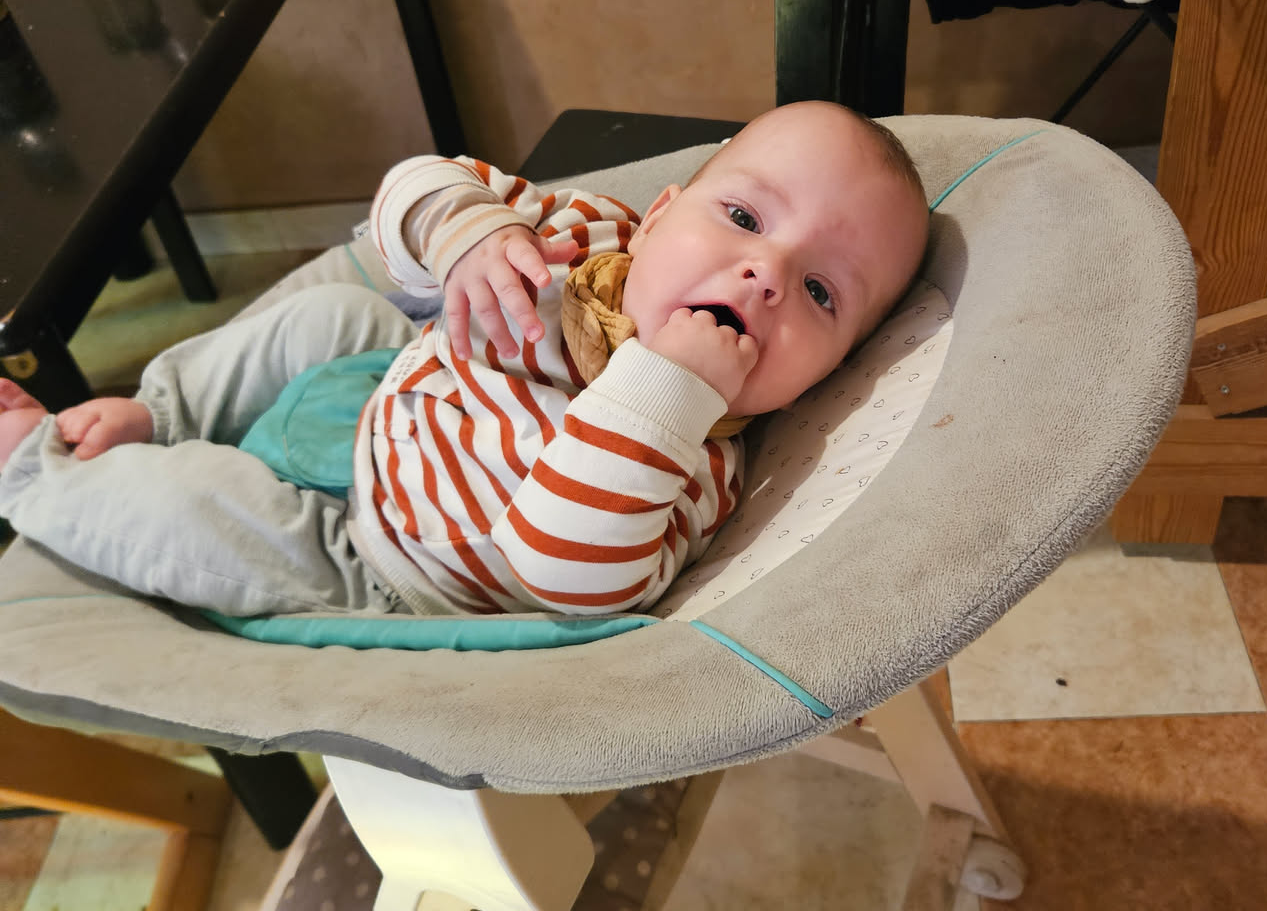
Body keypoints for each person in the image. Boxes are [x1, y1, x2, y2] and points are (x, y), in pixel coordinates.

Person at [0, 102, 929, 620]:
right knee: (331, 314)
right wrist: (468, 235)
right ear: (658, 213)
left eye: (821, 293)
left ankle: (33, 470)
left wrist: (669, 390)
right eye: (744, 217)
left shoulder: (696, 470)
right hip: (388, 385)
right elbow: (412, 187)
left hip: (377, 560)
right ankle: (164, 410)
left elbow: (561, 570)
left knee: (198, 514)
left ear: (829, 374)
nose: (768, 274)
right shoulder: (581, 234)